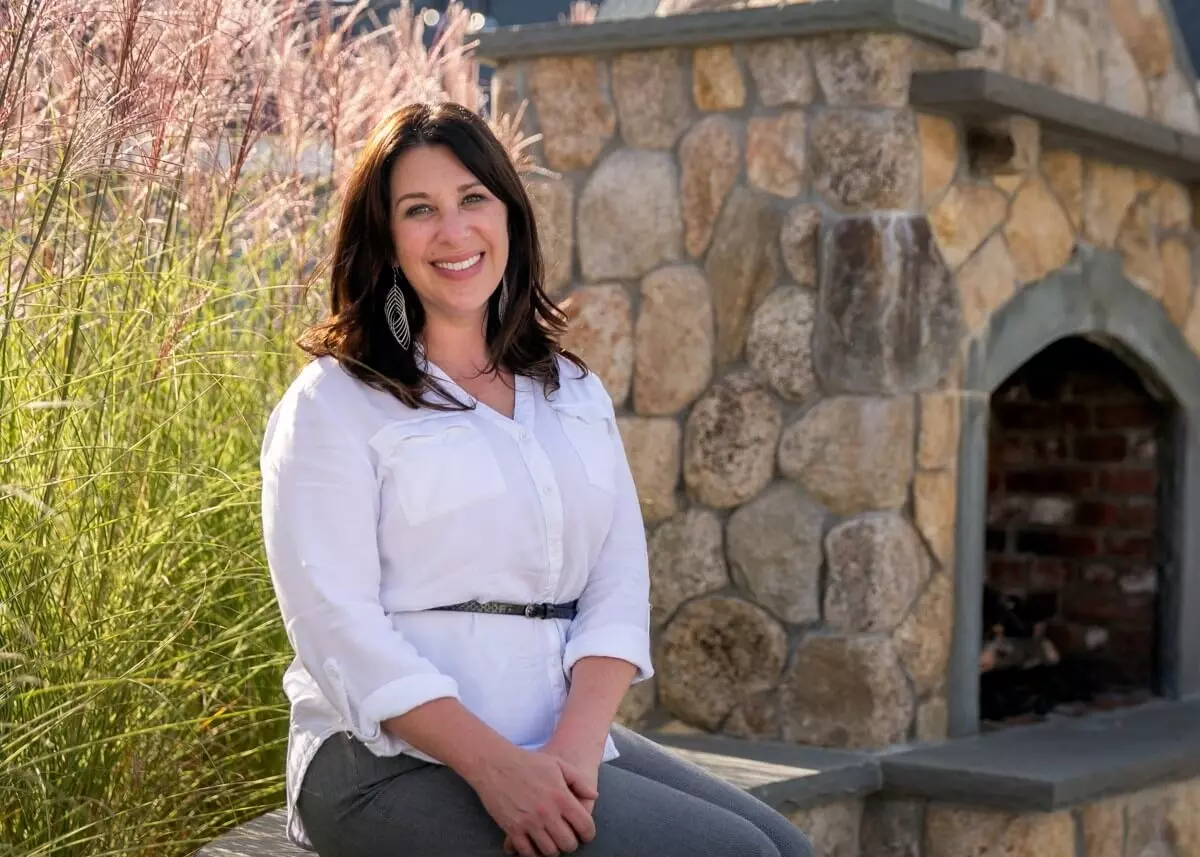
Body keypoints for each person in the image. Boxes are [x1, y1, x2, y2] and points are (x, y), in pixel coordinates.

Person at [259, 100, 813, 857]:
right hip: (380, 764)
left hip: (549, 731)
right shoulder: (336, 401)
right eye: (420, 210)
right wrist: (496, 768)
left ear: (509, 215)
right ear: (385, 240)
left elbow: (619, 579)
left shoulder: (569, 391)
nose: (453, 232)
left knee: (786, 846)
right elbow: (336, 627)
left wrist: (576, 751)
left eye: (472, 199)